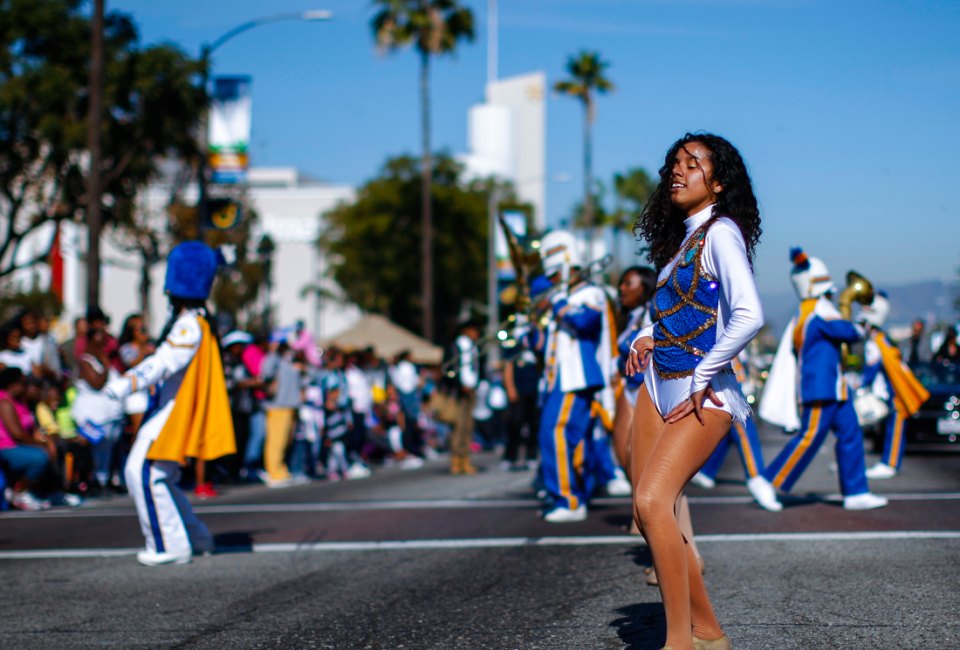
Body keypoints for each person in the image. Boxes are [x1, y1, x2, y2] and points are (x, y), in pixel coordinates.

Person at [625, 133, 767, 650]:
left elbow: (750, 314)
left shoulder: (721, 231)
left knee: (652, 499)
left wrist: (706, 372)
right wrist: (647, 335)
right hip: (656, 387)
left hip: (701, 395)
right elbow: (677, 312)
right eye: (674, 164)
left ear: (719, 180)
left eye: (692, 164)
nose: (677, 172)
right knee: (647, 514)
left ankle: (678, 642)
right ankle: (708, 632)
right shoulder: (681, 241)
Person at [104, 241, 236, 565]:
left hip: (172, 412)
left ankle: (169, 546)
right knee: (156, 476)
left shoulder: (190, 323)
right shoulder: (195, 320)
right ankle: (195, 537)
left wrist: (122, 385)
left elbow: (164, 361)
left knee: (145, 473)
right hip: (166, 409)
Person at [760, 248, 888, 512]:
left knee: (851, 434)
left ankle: (856, 492)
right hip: (822, 388)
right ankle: (768, 481)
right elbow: (845, 330)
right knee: (810, 437)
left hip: (834, 387)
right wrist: (862, 325)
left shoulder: (809, 310)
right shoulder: (818, 309)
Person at [520, 229, 615, 523]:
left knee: (556, 433)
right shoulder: (563, 296)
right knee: (571, 438)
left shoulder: (590, 293)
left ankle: (568, 500)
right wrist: (527, 331)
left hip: (575, 378)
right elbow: (542, 346)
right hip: (555, 380)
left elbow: (584, 322)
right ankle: (572, 495)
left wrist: (559, 302)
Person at [858, 293, 930, 479]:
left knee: (895, 428)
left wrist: (861, 386)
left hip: (894, 392)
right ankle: (889, 462)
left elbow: (872, 368)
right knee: (892, 427)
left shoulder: (877, 341)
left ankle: (890, 463)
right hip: (892, 391)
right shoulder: (883, 339)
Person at [72, 324, 125, 494]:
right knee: (93, 451)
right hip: (92, 416)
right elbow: (96, 383)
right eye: (100, 338)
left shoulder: (105, 360)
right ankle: (89, 482)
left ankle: (104, 481)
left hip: (110, 415)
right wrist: (105, 365)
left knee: (106, 452)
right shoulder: (86, 360)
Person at [0, 368, 55, 511]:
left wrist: (46, 442)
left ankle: (47, 492)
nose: (24, 386)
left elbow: (31, 427)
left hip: (18, 445)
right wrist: (40, 446)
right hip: (6, 446)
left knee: (54, 450)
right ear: (13, 384)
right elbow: (16, 433)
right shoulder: (4, 402)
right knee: (39, 457)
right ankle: (20, 492)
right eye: (22, 383)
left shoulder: (19, 401)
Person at [448, 318, 482, 475]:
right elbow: (451, 368)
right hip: (460, 392)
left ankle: (465, 459)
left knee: (468, 427)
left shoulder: (474, 346)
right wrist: (460, 386)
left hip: (471, 389)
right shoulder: (457, 345)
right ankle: (456, 459)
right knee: (459, 427)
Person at [118, 313, 155, 435]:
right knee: (139, 431)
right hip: (136, 395)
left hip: (151, 393)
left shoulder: (151, 346)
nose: (144, 333)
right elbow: (132, 363)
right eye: (141, 330)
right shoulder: (127, 348)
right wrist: (144, 350)